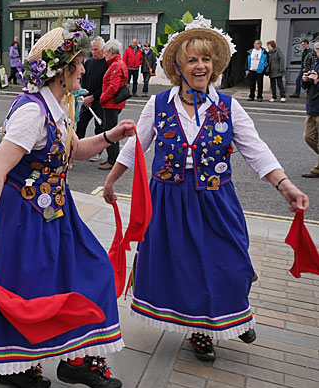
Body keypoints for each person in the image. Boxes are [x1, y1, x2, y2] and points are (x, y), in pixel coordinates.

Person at [102, 19, 309, 362]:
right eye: (193, 60)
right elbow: (136, 146)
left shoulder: (229, 106)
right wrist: (112, 180)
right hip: (169, 199)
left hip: (215, 198)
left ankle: (234, 312)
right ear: (178, 68)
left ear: (214, 66)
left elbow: (255, 150)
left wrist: (284, 185)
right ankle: (201, 329)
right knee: (186, 269)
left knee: (231, 261)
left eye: (207, 60)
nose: (201, 66)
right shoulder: (159, 105)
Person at [0, 20, 133, 388]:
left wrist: (109, 136)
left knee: (90, 273)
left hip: (56, 212)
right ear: (62, 69)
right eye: (80, 62)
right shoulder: (32, 113)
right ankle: (18, 365)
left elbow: (73, 151)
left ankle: (75, 361)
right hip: (24, 216)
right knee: (27, 290)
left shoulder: (59, 106)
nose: (85, 69)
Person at [98, 39, 129, 170]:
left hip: (111, 104)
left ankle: (113, 160)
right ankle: (112, 158)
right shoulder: (117, 63)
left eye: (105, 52)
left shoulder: (115, 65)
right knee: (111, 130)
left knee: (111, 132)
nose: (104, 55)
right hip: (113, 104)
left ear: (111, 51)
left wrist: (102, 99)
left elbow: (113, 87)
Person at [76, 36, 107, 162]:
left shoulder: (107, 64)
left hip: (99, 100)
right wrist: (84, 93)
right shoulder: (88, 62)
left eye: (96, 49)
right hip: (87, 99)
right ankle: (77, 148)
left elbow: (105, 86)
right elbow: (84, 79)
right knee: (81, 123)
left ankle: (98, 152)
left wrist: (93, 97)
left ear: (103, 49)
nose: (93, 52)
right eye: (92, 50)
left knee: (99, 126)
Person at [302, 43, 319, 178]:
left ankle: (317, 169)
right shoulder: (316, 64)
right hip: (312, 107)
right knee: (308, 137)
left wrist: (317, 81)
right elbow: (306, 87)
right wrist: (306, 80)